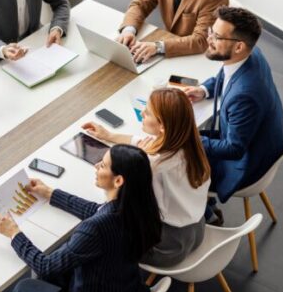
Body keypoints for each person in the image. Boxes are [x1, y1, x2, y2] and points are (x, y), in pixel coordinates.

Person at [0, 145, 161, 292]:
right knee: (59, 256)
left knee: (24, 288)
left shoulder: (96, 228)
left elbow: (45, 267)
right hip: (126, 290)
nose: (96, 166)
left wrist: (14, 233)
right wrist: (50, 193)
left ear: (118, 181)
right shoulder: (140, 208)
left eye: (102, 165)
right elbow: (96, 210)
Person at [83, 88, 211, 266]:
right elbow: (146, 142)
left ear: (162, 126)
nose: (142, 112)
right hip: (196, 231)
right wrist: (110, 136)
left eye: (148, 112)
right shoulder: (190, 145)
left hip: (167, 247)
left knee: (103, 232)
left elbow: (119, 201)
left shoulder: (153, 166)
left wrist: (136, 161)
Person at [182, 6, 283, 224]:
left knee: (170, 165)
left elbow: (234, 148)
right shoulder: (251, 53)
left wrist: (188, 139)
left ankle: (206, 214)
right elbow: (226, 72)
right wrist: (205, 89)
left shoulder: (245, 96)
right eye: (211, 31)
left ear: (239, 46)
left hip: (245, 164)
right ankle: (205, 203)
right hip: (258, 142)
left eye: (217, 37)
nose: (209, 38)